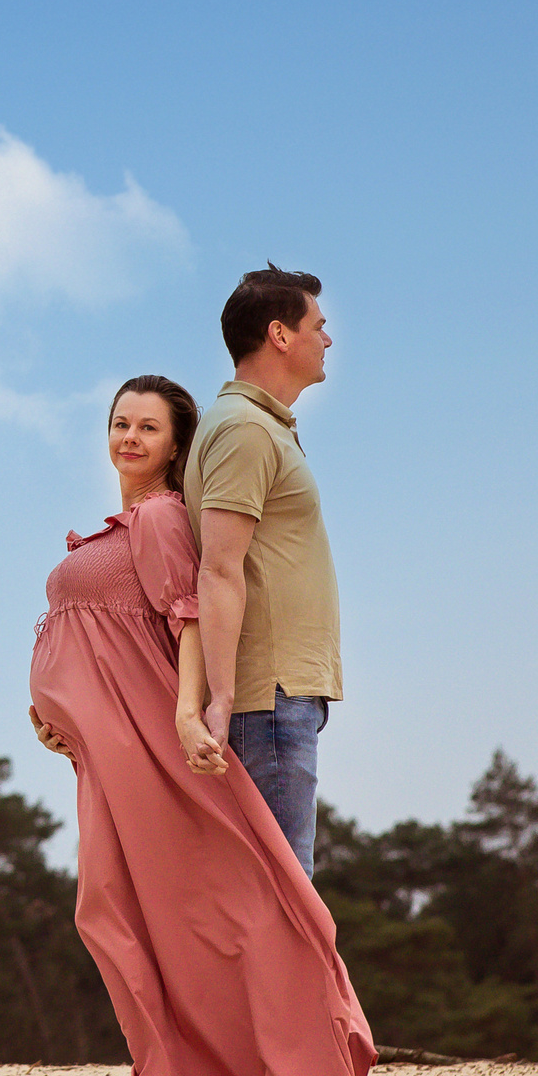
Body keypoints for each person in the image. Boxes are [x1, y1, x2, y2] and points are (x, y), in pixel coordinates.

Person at [29, 375, 395, 1076]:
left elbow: (186, 618)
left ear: (175, 443)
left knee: (231, 908)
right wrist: (55, 714)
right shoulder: (119, 525)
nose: (129, 437)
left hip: (151, 749)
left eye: (148, 428)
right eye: (119, 422)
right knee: (119, 913)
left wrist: (189, 714)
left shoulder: (160, 518)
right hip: (104, 754)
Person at [184, 265, 340, 878]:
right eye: (319, 326)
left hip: (277, 698)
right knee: (282, 901)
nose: (327, 340)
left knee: (276, 897)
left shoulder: (258, 426)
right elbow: (219, 569)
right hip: (265, 700)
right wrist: (221, 697)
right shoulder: (247, 430)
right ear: (280, 334)